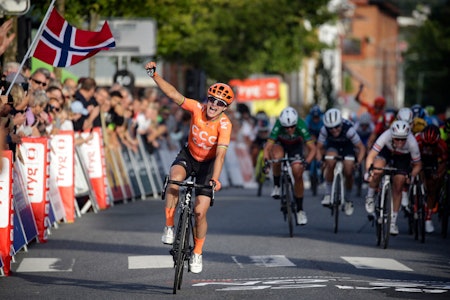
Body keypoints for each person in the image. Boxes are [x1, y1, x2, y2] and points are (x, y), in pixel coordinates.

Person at [145, 61, 233, 274]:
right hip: (189, 155)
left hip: (208, 165)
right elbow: (174, 94)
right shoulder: (196, 108)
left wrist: (215, 178)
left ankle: (197, 252)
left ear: (225, 108)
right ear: (207, 99)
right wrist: (155, 76)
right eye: (212, 99)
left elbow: (220, 155)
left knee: (200, 213)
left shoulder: (225, 125)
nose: (214, 105)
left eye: (220, 103)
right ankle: (169, 225)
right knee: (174, 179)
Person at [364, 120, 422, 235]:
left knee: (399, 183)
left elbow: (418, 165)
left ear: (407, 137)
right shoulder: (386, 136)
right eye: (397, 139)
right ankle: (370, 197)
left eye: (403, 139)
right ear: (392, 136)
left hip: (402, 158)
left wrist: (410, 175)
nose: (400, 142)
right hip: (387, 152)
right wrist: (369, 172)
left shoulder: (412, 142)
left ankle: (393, 223)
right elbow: (371, 156)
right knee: (377, 169)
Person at [263, 106, 316, 225]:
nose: (289, 129)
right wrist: (266, 163)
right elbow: (268, 147)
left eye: (292, 126)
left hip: (295, 147)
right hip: (280, 144)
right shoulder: (278, 125)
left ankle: (300, 210)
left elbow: (312, 149)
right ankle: (276, 186)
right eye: (286, 127)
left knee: (297, 172)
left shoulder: (301, 125)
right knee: (277, 158)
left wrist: (307, 162)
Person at [317, 108, 366, 215]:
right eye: (331, 128)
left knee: (348, 171)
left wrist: (358, 162)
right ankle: (328, 193)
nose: (334, 130)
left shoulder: (349, 130)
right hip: (333, 146)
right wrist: (320, 160)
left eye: (337, 127)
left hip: (347, 147)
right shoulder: (324, 130)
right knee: (330, 162)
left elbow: (361, 148)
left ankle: (348, 199)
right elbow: (318, 147)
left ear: (341, 124)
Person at [415, 125, 447, 233]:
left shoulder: (442, 145)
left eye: (431, 145)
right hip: (418, 158)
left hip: (432, 161)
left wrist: (438, 174)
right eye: (426, 145)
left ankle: (428, 218)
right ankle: (414, 201)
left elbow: (443, 162)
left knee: (432, 185)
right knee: (417, 175)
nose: (428, 148)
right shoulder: (417, 141)